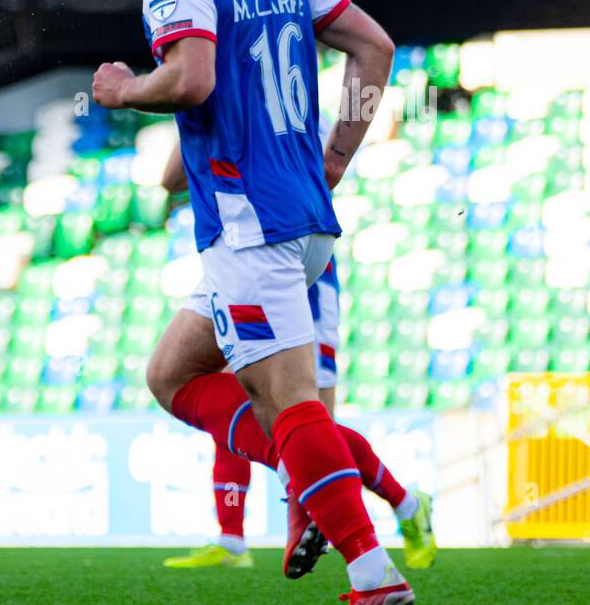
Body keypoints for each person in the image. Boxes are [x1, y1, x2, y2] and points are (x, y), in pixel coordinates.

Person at [93, 0, 414, 605]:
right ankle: (324, 484)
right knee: (171, 375)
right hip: (301, 215)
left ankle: (370, 569)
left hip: (248, 221)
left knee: (292, 404)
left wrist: (127, 90)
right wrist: (338, 154)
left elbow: (193, 80)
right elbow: (373, 47)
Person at [159, 125, 437, 571]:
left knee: (309, 417)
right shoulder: (248, 79)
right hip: (244, 255)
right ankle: (235, 536)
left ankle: (401, 509)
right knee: (235, 394)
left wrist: (178, 104)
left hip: (292, 267)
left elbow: (173, 177)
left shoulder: (255, 84)